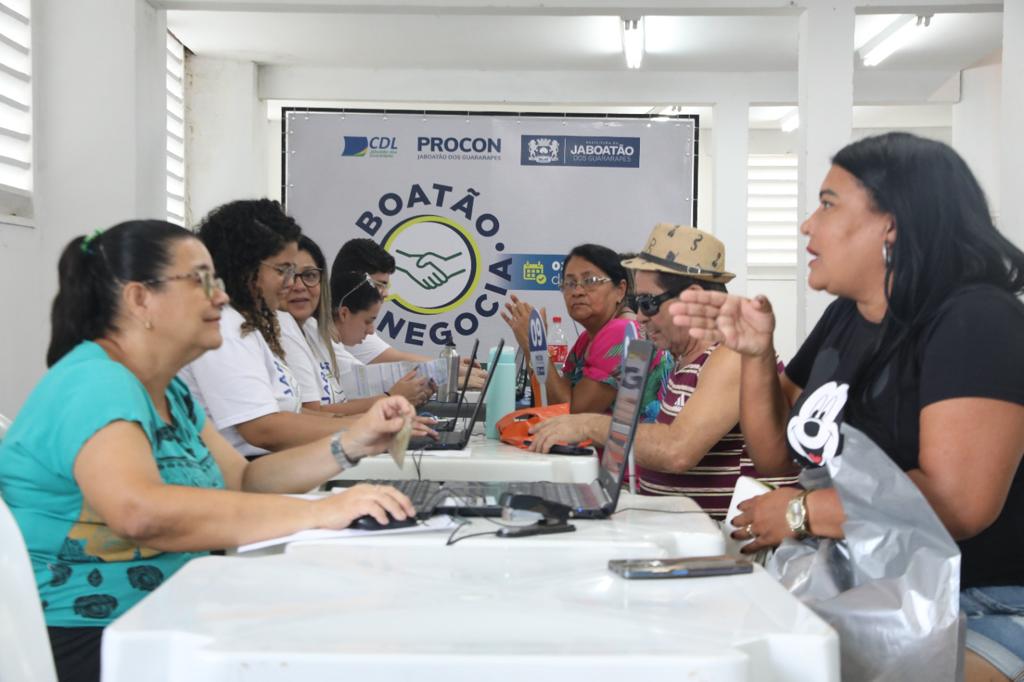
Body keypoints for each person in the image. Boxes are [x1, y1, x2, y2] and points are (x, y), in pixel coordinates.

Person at [0, 221, 425, 682]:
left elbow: (243, 479)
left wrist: (351, 443)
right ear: (140, 299)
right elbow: (139, 512)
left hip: (167, 614)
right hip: (97, 639)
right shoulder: (96, 382)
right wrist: (319, 512)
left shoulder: (169, 392)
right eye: (201, 281)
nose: (221, 297)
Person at [670, 133, 1024, 682]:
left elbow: (958, 505)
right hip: (871, 587)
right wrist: (756, 354)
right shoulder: (847, 316)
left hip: (977, 603)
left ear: (893, 223)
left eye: (828, 205)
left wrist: (802, 513)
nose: (807, 225)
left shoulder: (976, 319)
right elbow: (778, 458)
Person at [528, 225, 796, 518]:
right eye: (637, 304)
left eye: (648, 303)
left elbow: (677, 450)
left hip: (715, 537)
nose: (640, 316)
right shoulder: (680, 358)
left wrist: (587, 425)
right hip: (672, 523)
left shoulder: (733, 354)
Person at [179, 200, 357, 457]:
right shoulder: (226, 328)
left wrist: (361, 422)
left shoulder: (248, 324)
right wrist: (362, 428)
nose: (291, 283)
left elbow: (289, 413)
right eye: (283, 270)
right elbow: (263, 429)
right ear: (245, 266)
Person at [502, 243, 668, 414]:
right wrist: (535, 347)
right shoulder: (586, 339)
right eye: (570, 283)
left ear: (620, 290)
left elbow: (572, 414)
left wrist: (535, 347)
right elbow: (550, 399)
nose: (577, 291)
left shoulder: (623, 332)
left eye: (590, 281)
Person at [280, 236, 433, 412]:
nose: (299, 286)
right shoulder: (286, 329)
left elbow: (356, 391)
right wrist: (391, 400)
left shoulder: (312, 329)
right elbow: (312, 416)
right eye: (287, 274)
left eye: (310, 275)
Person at [331, 238, 486, 388]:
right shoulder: (332, 332)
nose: (385, 293)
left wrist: (449, 368)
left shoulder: (351, 325)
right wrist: (448, 378)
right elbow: (389, 370)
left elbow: (396, 365)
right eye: (380, 285)